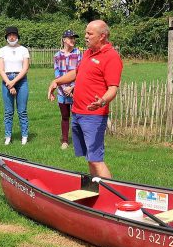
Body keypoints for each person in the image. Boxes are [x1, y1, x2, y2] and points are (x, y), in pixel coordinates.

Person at [48, 20, 123, 178]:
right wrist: (57, 81)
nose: (85, 36)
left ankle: (112, 195)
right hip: (78, 112)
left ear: (102, 36)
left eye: (89, 33)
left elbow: (113, 88)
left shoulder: (111, 57)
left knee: (96, 159)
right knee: (90, 158)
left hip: (94, 116)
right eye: (86, 33)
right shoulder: (88, 53)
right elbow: (77, 72)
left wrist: (102, 101)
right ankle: (97, 189)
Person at [0, 26, 31, 145]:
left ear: (17, 36)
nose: (12, 37)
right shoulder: (2, 50)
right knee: (8, 111)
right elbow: (1, 69)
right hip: (6, 80)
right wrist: (9, 84)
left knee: (22, 111)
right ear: (6, 37)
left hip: (21, 80)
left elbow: (25, 68)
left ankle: (24, 136)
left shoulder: (24, 50)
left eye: (14, 35)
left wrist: (14, 82)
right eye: (9, 35)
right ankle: (8, 136)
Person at [52, 29, 81, 149]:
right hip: (62, 92)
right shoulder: (57, 56)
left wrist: (72, 87)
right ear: (64, 40)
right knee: (65, 116)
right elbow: (57, 74)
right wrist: (64, 88)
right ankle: (65, 140)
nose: (73, 40)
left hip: (76, 90)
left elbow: (81, 71)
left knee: (77, 116)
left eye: (74, 38)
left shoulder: (78, 53)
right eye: (70, 38)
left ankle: (78, 140)